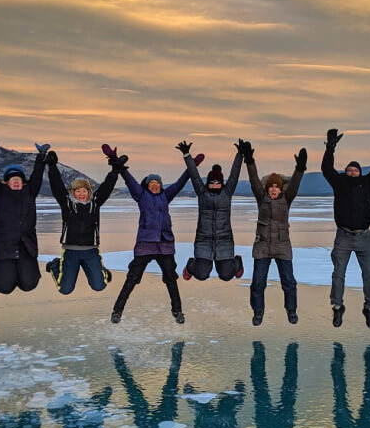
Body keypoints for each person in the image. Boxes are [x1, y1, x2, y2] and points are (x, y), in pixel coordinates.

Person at [110, 149, 205, 325]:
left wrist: (192, 165)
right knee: (132, 278)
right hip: (146, 244)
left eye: (157, 183)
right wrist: (120, 167)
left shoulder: (166, 196)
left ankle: (177, 311)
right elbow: (130, 181)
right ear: (147, 185)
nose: (155, 185)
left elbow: (181, 182)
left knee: (171, 279)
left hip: (165, 245)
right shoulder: (141, 195)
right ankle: (117, 311)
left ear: (161, 186)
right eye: (152, 183)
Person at [322, 129, 370, 329]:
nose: (352, 171)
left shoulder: (368, 182)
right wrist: (330, 147)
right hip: (343, 236)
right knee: (338, 274)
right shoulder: (339, 183)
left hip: (364, 237)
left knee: (369, 275)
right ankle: (337, 308)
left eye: (355, 170)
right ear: (345, 172)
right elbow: (326, 168)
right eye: (349, 169)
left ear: (360, 172)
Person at [44, 146, 128, 294]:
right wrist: (52, 166)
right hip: (70, 251)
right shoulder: (67, 203)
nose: (81, 194)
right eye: (78, 191)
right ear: (73, 192)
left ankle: (101, 272)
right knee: (65, 289)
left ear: (89, 192)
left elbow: (106, 187)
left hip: (91, 251)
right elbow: (56, 185)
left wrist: (115, 171)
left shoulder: (95, 203)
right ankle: (55, 265)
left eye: (84, 191)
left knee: (100, 286)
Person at [0, 138, 49, 294]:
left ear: (23, 182)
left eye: (18, 179)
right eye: (12, 179)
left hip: (26, 245)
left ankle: (19, 270)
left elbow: (37, 175)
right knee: (4, 288)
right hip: (2, 246)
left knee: (29, 285)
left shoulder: (30, 192)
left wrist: (41, 155)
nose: (15, 182)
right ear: (6, 182)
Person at [243, 142, 307, 326]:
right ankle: (258, 312)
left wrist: (300, 168)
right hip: (262, 245)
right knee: (257, 283)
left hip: (282, 245)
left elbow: (295, 183)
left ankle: (291, 310)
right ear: (267, 189)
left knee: (289, 282)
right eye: (270, 186)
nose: (273, 189)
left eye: (276, 187)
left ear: (281, 189)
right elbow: (254, 179)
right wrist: (249, 160)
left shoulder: (287, 199)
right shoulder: (261, 198)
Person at [176, 139, 244, 282]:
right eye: (211, 182)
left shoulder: (227, 193)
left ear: (221, 183)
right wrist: (187, 155)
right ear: (208, 183)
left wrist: (240, 155)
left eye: (217, 182)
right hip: (203, 240)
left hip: (224, 240)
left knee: (226, 275)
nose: (214, 185)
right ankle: (190, 265)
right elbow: (194, 175)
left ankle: (237, 262)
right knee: (201, 275)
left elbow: (234, 175)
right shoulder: (202, 193)